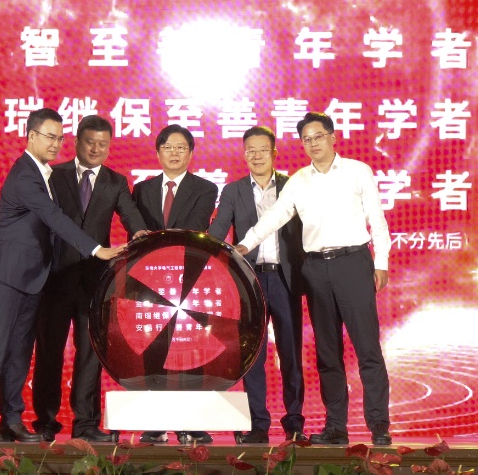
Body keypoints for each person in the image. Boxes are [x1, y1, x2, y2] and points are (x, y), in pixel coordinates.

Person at [234, 112, 393, 447]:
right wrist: (245, 245)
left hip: (353, 264)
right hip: (316, 269)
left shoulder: (357, 171)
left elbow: (377, 220)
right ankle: (336, 426)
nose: (313, 143)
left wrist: (381, 263)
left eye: (318, 136)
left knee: (367, 349)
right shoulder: (299, 181)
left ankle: (379, 424)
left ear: (332, 137)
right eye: (306, 139)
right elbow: (275, 216)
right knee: (327, 352)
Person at [0, 108, 123, 443]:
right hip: (7, 273)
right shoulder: (25, 175)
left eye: (59, 138)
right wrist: (96, 249)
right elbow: (53, 217)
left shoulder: (45, 174)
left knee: (21, 352)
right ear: (31, 136)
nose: (55, 144)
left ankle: (11, 419)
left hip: (33, 277)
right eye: (49, 137)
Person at [32, 114, 149, 443]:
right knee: (50, 352)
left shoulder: (115, 182)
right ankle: (45, 421)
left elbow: (130, 215)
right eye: (90, 142)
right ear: (76, 142)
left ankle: (85, 422)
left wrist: (140, 232)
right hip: (55, 278)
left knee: (90, 354)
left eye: (103, 144)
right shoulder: (54, 175)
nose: (96, 149)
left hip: (94, 283)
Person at [208, 126, 305, 444]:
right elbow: (219, 230)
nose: (257, 155)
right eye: (251, 150)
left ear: (274, 153)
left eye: (263, 149)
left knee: (291, 352)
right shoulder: (233, 191)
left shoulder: (294, 185)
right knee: (253, 355)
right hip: (249, 282)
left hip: (285, 278)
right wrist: (201, 250)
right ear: (244, 154)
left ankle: (294, 422)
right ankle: (258, 424)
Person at [132, 124, 218, 445]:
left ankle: (191, 423)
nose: (174, 153)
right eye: (168, 147)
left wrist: (157, 244)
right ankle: (156, 423)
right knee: (153, 350)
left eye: (181, 147)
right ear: (158, 152)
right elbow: (136, 233)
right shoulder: (141, 189)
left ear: (191, 153)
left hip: (190, 279)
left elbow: (194, 228)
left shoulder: (205, 188)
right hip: (150, 280)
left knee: (191, 350)